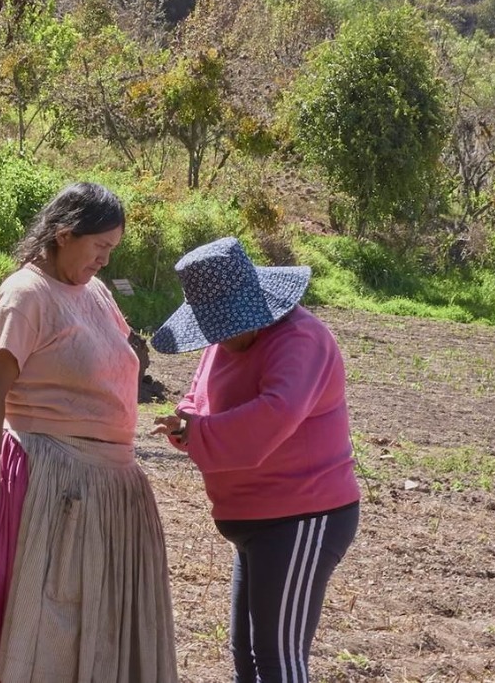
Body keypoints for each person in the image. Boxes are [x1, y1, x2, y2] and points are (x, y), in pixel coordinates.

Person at [0, 182, 178, 683]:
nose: (105, 260)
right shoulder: (24, 297)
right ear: (65, 234)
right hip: (51, 484)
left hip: (108, 486)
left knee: (96, 625)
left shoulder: (95, 292)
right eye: (100, 248)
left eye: (112, 250)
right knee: (47, 625)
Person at [149, 236, 360, 683]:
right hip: (255, 518)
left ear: (256, 306)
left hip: (302, 515)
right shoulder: (222, 340)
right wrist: (184, 422)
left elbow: (274, 415)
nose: (220, 337)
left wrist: (198, 432)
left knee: (277, 660)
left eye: (226, 325)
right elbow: (198, 397)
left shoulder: (301, 339)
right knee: (247, 654)